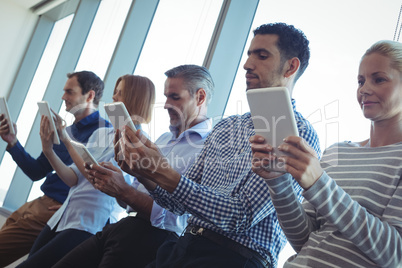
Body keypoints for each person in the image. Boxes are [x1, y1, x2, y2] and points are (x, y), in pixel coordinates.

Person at [114, 23, 321, 267]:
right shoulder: (226, 127)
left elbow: (240, 217)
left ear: (291, 66)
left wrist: (164, 173)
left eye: (262, 56)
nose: (247, 64)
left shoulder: (298, 134)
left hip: (236, 257)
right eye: (248, 54)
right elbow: (178, 205)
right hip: (185, 246)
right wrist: (145, 172)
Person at [250, 40, 402, 267]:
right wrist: (278, 182)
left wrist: (319, 184)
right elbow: (304, 240)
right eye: (361, 81)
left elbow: (394, 255)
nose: (364, 89)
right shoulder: (337, 152)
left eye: (378, 79)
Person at [52, 64, 214, 268]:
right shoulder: (163, 140)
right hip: (125, 226)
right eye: (165, 97)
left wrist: (124, 189)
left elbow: (174, 219)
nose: (165, 105)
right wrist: (119, 182)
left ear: (200, 97)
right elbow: (128, 201)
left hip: (153, 239)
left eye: (175, 97)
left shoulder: (208, 148)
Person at [16, 74, 155, 268]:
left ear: (134, 98)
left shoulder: (139, 144)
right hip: (64, 216)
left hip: (88, 223)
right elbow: (73, 179)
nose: (113, 97)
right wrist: (48, 151)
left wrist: (65, 139)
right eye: (114, 92)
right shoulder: (101, 133)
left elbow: (98, 180)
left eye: (120, 93)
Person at [0, 71, 110, 267]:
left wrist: (73, 206)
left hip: (57, 211)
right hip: (38, 204)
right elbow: (36, 171)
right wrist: (13, 142)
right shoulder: (65, 130)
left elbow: (103, 184)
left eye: (69, 92)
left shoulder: (105, 133)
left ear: (90, 95)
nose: (63, 97)